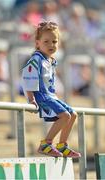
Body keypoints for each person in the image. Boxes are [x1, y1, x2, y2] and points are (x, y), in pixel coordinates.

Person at [21, 21, 81, 158]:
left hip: (51, 95)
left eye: (54, 41)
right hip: (42, 95)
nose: (51, 45)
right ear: (37, 43)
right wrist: (31, 99)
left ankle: (62, 145)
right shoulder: (36, 58)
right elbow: (27, 78)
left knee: (73, 115)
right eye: (46, 41)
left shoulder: (50, 60)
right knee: (65, 116)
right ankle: (46, 144)